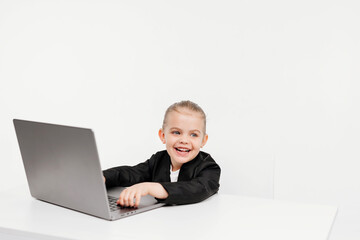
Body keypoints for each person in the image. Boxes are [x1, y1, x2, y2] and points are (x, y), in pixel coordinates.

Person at [103, 100, 221, 207]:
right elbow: (132, 173)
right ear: (163, 136)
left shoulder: (209, 167)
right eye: (176, 132)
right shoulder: (159, 160)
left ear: (203, 141)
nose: (184, 140)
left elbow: (197, 189)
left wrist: (151, 187)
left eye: (193, 134)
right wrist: (103, 177)